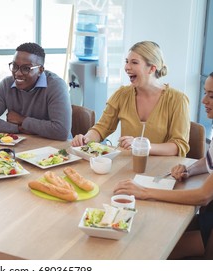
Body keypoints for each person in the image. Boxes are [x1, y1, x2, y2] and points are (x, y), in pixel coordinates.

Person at [113, 72, 213, 259]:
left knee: (148, 253)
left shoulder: (176, 99)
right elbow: (210, 160)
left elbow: (203, 196)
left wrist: (146, 192)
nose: (204, 100)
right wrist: (189, 169)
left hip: (209, 227)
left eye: (211, 95)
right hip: (206, 218)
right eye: (205, 92)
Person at [71, 41, 190, 157]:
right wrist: (85, 139)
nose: (127, 67)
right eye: (127, 62)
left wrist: (143, 146)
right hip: (125, 164)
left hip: (159, 168)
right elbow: (101, 128)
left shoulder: (178, 100)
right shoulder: (122, 94)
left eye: (134, 62)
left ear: (152, 69)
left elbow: (178, 145)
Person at [0, 42, 72, 141]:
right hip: (24, 146)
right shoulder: (7, 84)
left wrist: (22, 120)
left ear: (40, 70)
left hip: (57, 151)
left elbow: (61, 131)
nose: (18, 73)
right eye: (15, 66)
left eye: (26, 68)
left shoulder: (56, 86)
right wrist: (18, 128)